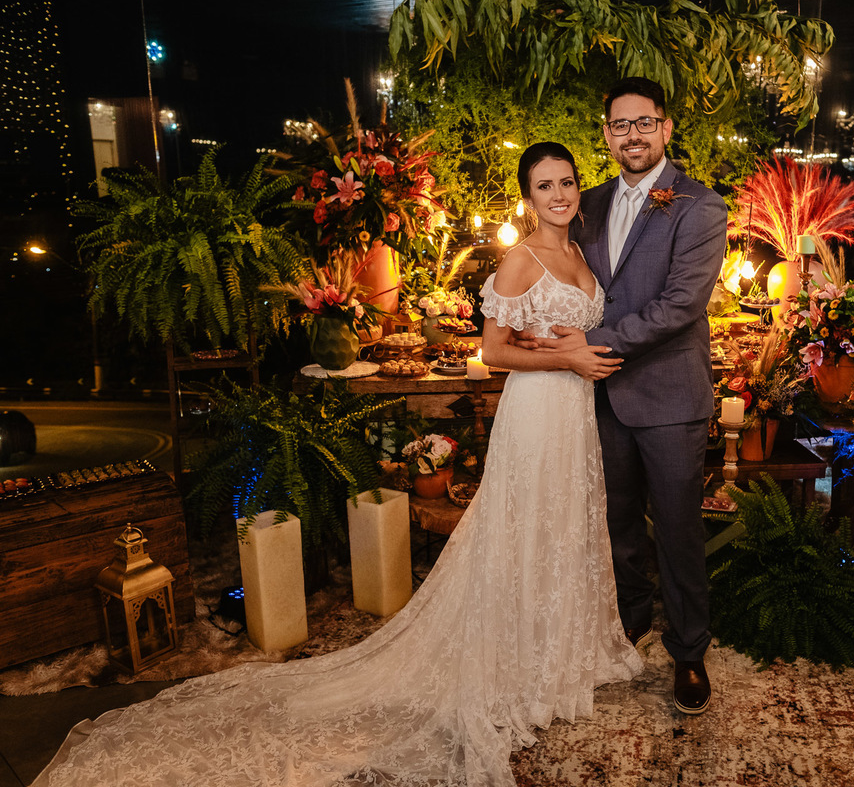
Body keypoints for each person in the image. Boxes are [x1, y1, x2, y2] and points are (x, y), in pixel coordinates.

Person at [32, 142, 640, 787]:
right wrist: (564, 358)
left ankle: (563, 651)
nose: (559, 194)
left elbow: (549, 334)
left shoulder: (578, 253)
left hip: (576, 416)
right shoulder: (520, 259)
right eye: (544, 185)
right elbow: (494, 352)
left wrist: (565, 349)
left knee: (566, 525)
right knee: (524, 528)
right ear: (527, 196)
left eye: (567, 182)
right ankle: (518, 666)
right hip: (537, 413)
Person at [519, 78, 727, 714]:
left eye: (644, 123)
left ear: (665, 128)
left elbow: (678, 307)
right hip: (598, 400)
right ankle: (627, 626)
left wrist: (587, 344)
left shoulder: (700, 206)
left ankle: (689, 654)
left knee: (678, 531)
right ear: (606, 134)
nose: (632, 134)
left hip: (667, 398)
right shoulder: (592, 202)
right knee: (615, 527)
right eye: (619, 125)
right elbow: (563, 274)